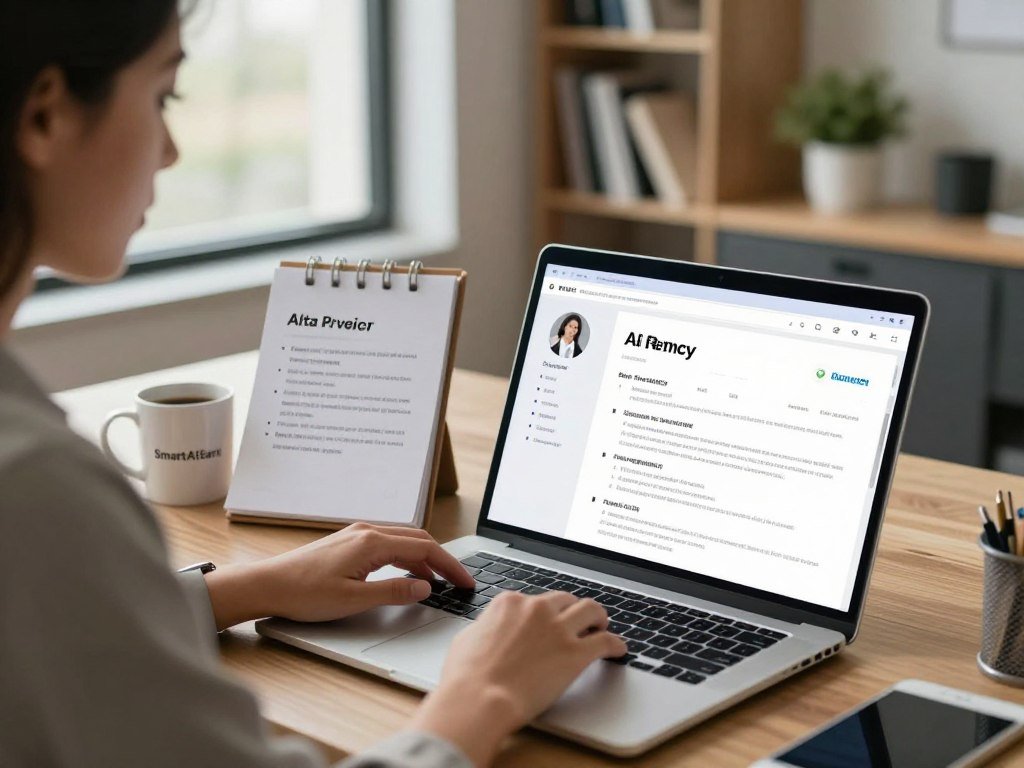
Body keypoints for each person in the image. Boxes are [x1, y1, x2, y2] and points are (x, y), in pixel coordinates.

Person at [0, 2, 626, 766]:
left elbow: (42, 626)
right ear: (45, 116)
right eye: (163, 95)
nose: (170, 151)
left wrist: (247, 589)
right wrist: (482, 697)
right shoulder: (34, 486)